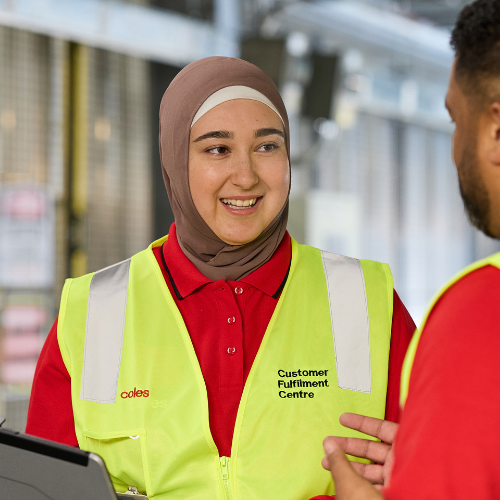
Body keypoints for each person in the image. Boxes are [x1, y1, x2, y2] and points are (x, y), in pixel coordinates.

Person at [26, 57, 415, 499]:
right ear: (175, 160)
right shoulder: (94, 313)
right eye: (217, 149)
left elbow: (437, 474)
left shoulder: (366, 304)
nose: (246, 176)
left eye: (267, 147)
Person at [322, 1, 500, 498]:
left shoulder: (480, 311)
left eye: (454, 120)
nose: (454, 148)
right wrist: (435, 455)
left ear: (496, 129)